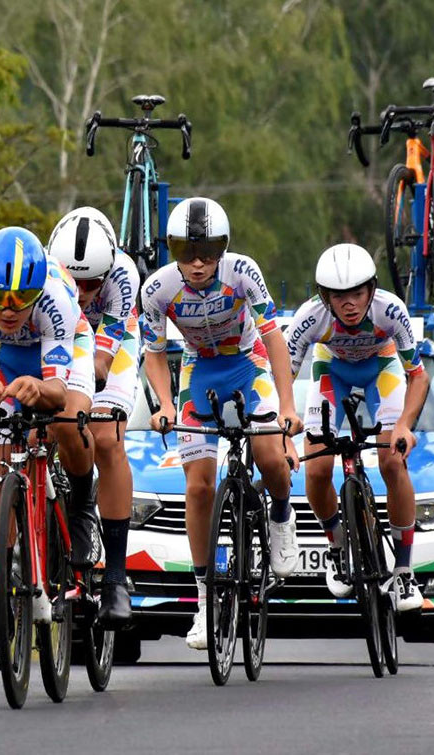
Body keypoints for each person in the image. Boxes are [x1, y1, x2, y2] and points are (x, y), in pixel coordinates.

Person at [140, 197, 301, 651]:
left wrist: (287, 405)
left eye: (207, 252)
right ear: (171, 250)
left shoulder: (243, 273)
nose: (196, 263)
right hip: (199, 370)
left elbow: (272, 337)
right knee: (198, 487)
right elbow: (154, 352)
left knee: (271, 454)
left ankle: (282, 517)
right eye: (185, 252)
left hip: (247, 365)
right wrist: (166, 405)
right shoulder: (157, 289)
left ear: (223, 249)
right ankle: (206, 601)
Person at [0, 226, 94, 669]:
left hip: (57, 354)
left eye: (20, 299)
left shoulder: (57, 300)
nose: (8, 310)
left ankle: (82, 508)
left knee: (66, 422)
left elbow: (55, 388)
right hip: (1, 358)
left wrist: (41, 389)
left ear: (36, 289)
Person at [287, 243, 430, 612]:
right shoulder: (311, 317)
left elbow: (419, 377)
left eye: (357, 293)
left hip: (380, 368)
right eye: (339, 295)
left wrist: (404, 426)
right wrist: (284, 427)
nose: (349, 303)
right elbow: (281, 375)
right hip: (331, 370)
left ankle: (403, 570)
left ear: (371, 290)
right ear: (325, 297)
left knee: (392, 462)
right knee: (317, 468)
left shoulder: (391, 310)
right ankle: (337, 547)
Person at [46, 206, 141, 627]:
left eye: (91, 284)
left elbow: (101, 361)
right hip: (54, 336)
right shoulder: (44, 272)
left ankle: (117, 578)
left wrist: (84, 386)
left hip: (109, 341)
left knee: (105, 437)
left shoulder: (122, 275)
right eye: (75, 281)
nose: (82, 292)